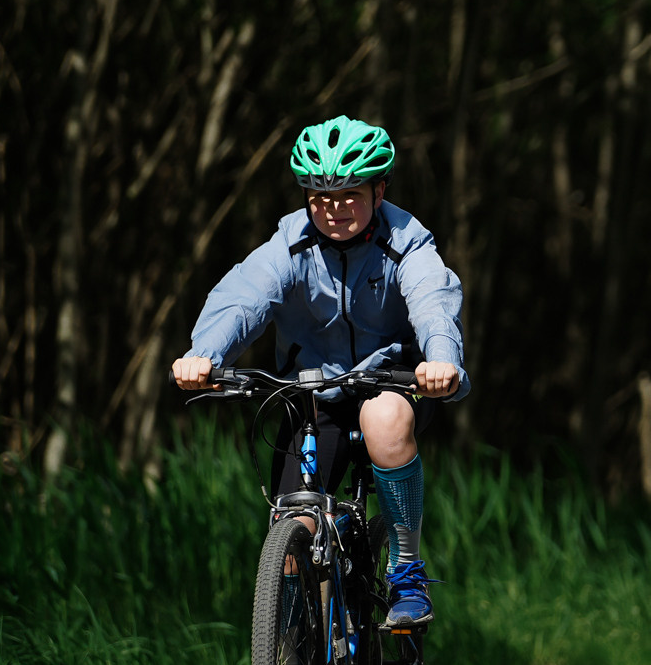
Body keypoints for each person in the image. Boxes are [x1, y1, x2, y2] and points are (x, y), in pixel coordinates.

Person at [171, 115, 465, 631]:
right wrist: (205, 355)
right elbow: (244, 298)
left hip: (390, 383)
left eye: (350, 193)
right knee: (292, 539)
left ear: (379, 191)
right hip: (313, 394)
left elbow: (433, 303)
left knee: (383, 421)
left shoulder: (407, 244)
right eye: (321, 196)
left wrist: (440, 359)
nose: (335, 209)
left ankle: (406, 570)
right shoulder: (289, 246)